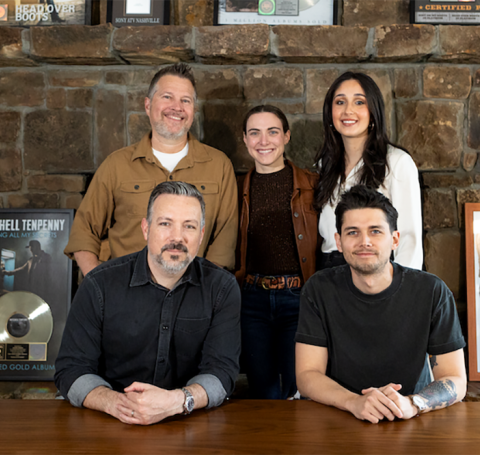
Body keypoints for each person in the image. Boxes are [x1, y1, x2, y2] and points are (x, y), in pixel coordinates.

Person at [55, 181, 241, 425]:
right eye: (165, 224)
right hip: (108, 420)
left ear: (201, 234)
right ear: (146, 228)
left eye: (189, 226)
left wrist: (178, 401)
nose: (177, 237)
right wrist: (118, 404)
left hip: (187, 421)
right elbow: (71, 369)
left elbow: (222, 372)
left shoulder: (222, 288)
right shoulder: (99, 284)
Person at [296, 185, 466, 423]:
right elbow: (306, 375)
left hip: (410, 417)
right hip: (338, 415)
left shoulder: (432, 291)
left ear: (395, 239)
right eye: (352, 232)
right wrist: (354, 402)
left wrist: (413, 403)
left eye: (375, 231)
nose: (364, 241)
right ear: (339, 241)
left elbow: (456, 379)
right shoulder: (318, 290)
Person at [64, 63, 238, 275]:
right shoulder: (116, 165)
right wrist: (100, 288)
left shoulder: (219, 166)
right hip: (127, 294)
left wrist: (204, 292)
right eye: (167, 97)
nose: (177, 107)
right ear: (147, 105)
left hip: (193, 294)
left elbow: (224, 242)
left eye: (186, 100)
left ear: (194, 110)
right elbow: (84, 231)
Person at [234, 105, 318, 399]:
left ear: (286, 136)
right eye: (254, 133)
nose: (263, 141)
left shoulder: (312, 185)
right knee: (262, 389)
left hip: (298, 299)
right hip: (252, 300)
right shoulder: (237, 187)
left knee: (299, 388)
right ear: (244, 139)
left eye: (272, 132)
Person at [314, 71, 422, 271]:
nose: (348, 110)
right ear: (330, 112)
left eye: (359, 102)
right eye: (340, 102)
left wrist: (403, 290)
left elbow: (409, 238)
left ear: (373, 111)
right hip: (329, 271)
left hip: (376, 270)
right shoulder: (324, 165)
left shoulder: (397, 162)